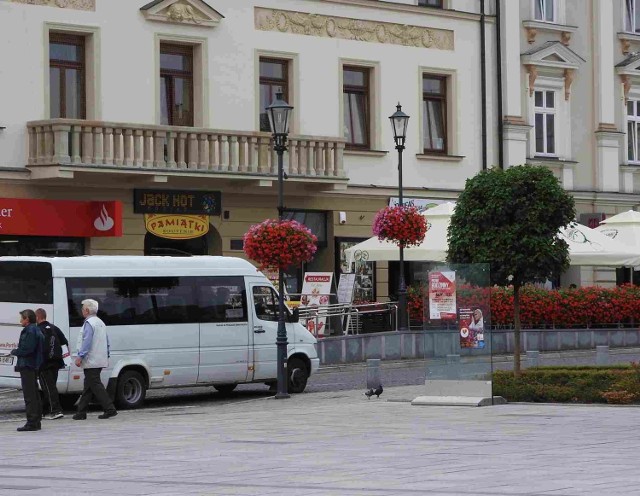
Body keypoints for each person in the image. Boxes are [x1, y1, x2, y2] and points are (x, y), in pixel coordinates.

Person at [73, 299, 118, 421]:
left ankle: (110, 409)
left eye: (82, 309)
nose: (81, 311)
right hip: (99, 359)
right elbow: (106, 341)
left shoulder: (89, 323)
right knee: (88, 386)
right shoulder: (100, 322)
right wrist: (106, 354)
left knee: (96, 385)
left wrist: (80, 356)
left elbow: (86, 342)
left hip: (91, 360)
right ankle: (81, 412)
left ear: (87, 310)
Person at [10, 309, 44, 432]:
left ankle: (32, 422)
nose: (20, 321)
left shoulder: (30, 331)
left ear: (27, 319)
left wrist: (15, 351)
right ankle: (36, 421)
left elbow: (28, 349)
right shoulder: (35, 329)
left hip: (28, 365)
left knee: (29, 395)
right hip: (32, 365)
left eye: (22, 318)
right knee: (34, 393)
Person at [36, 308, 68, 420]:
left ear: (37, 317)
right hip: (56, 362)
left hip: (44, 364)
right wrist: (66, 360)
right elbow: (64, 342)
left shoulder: (37, 329)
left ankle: (55, 410)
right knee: (50, 386)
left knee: (48, 388)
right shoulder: (54, 328)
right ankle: (46, 410)